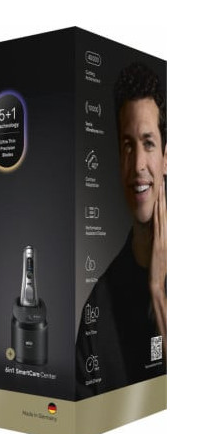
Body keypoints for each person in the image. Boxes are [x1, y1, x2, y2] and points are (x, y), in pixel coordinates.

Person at [76, 62, 167, 396]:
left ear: (167, 157)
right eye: (128, 145)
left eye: (148, 143)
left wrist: (157, 291)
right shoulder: (98, 306)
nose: (138, 164)